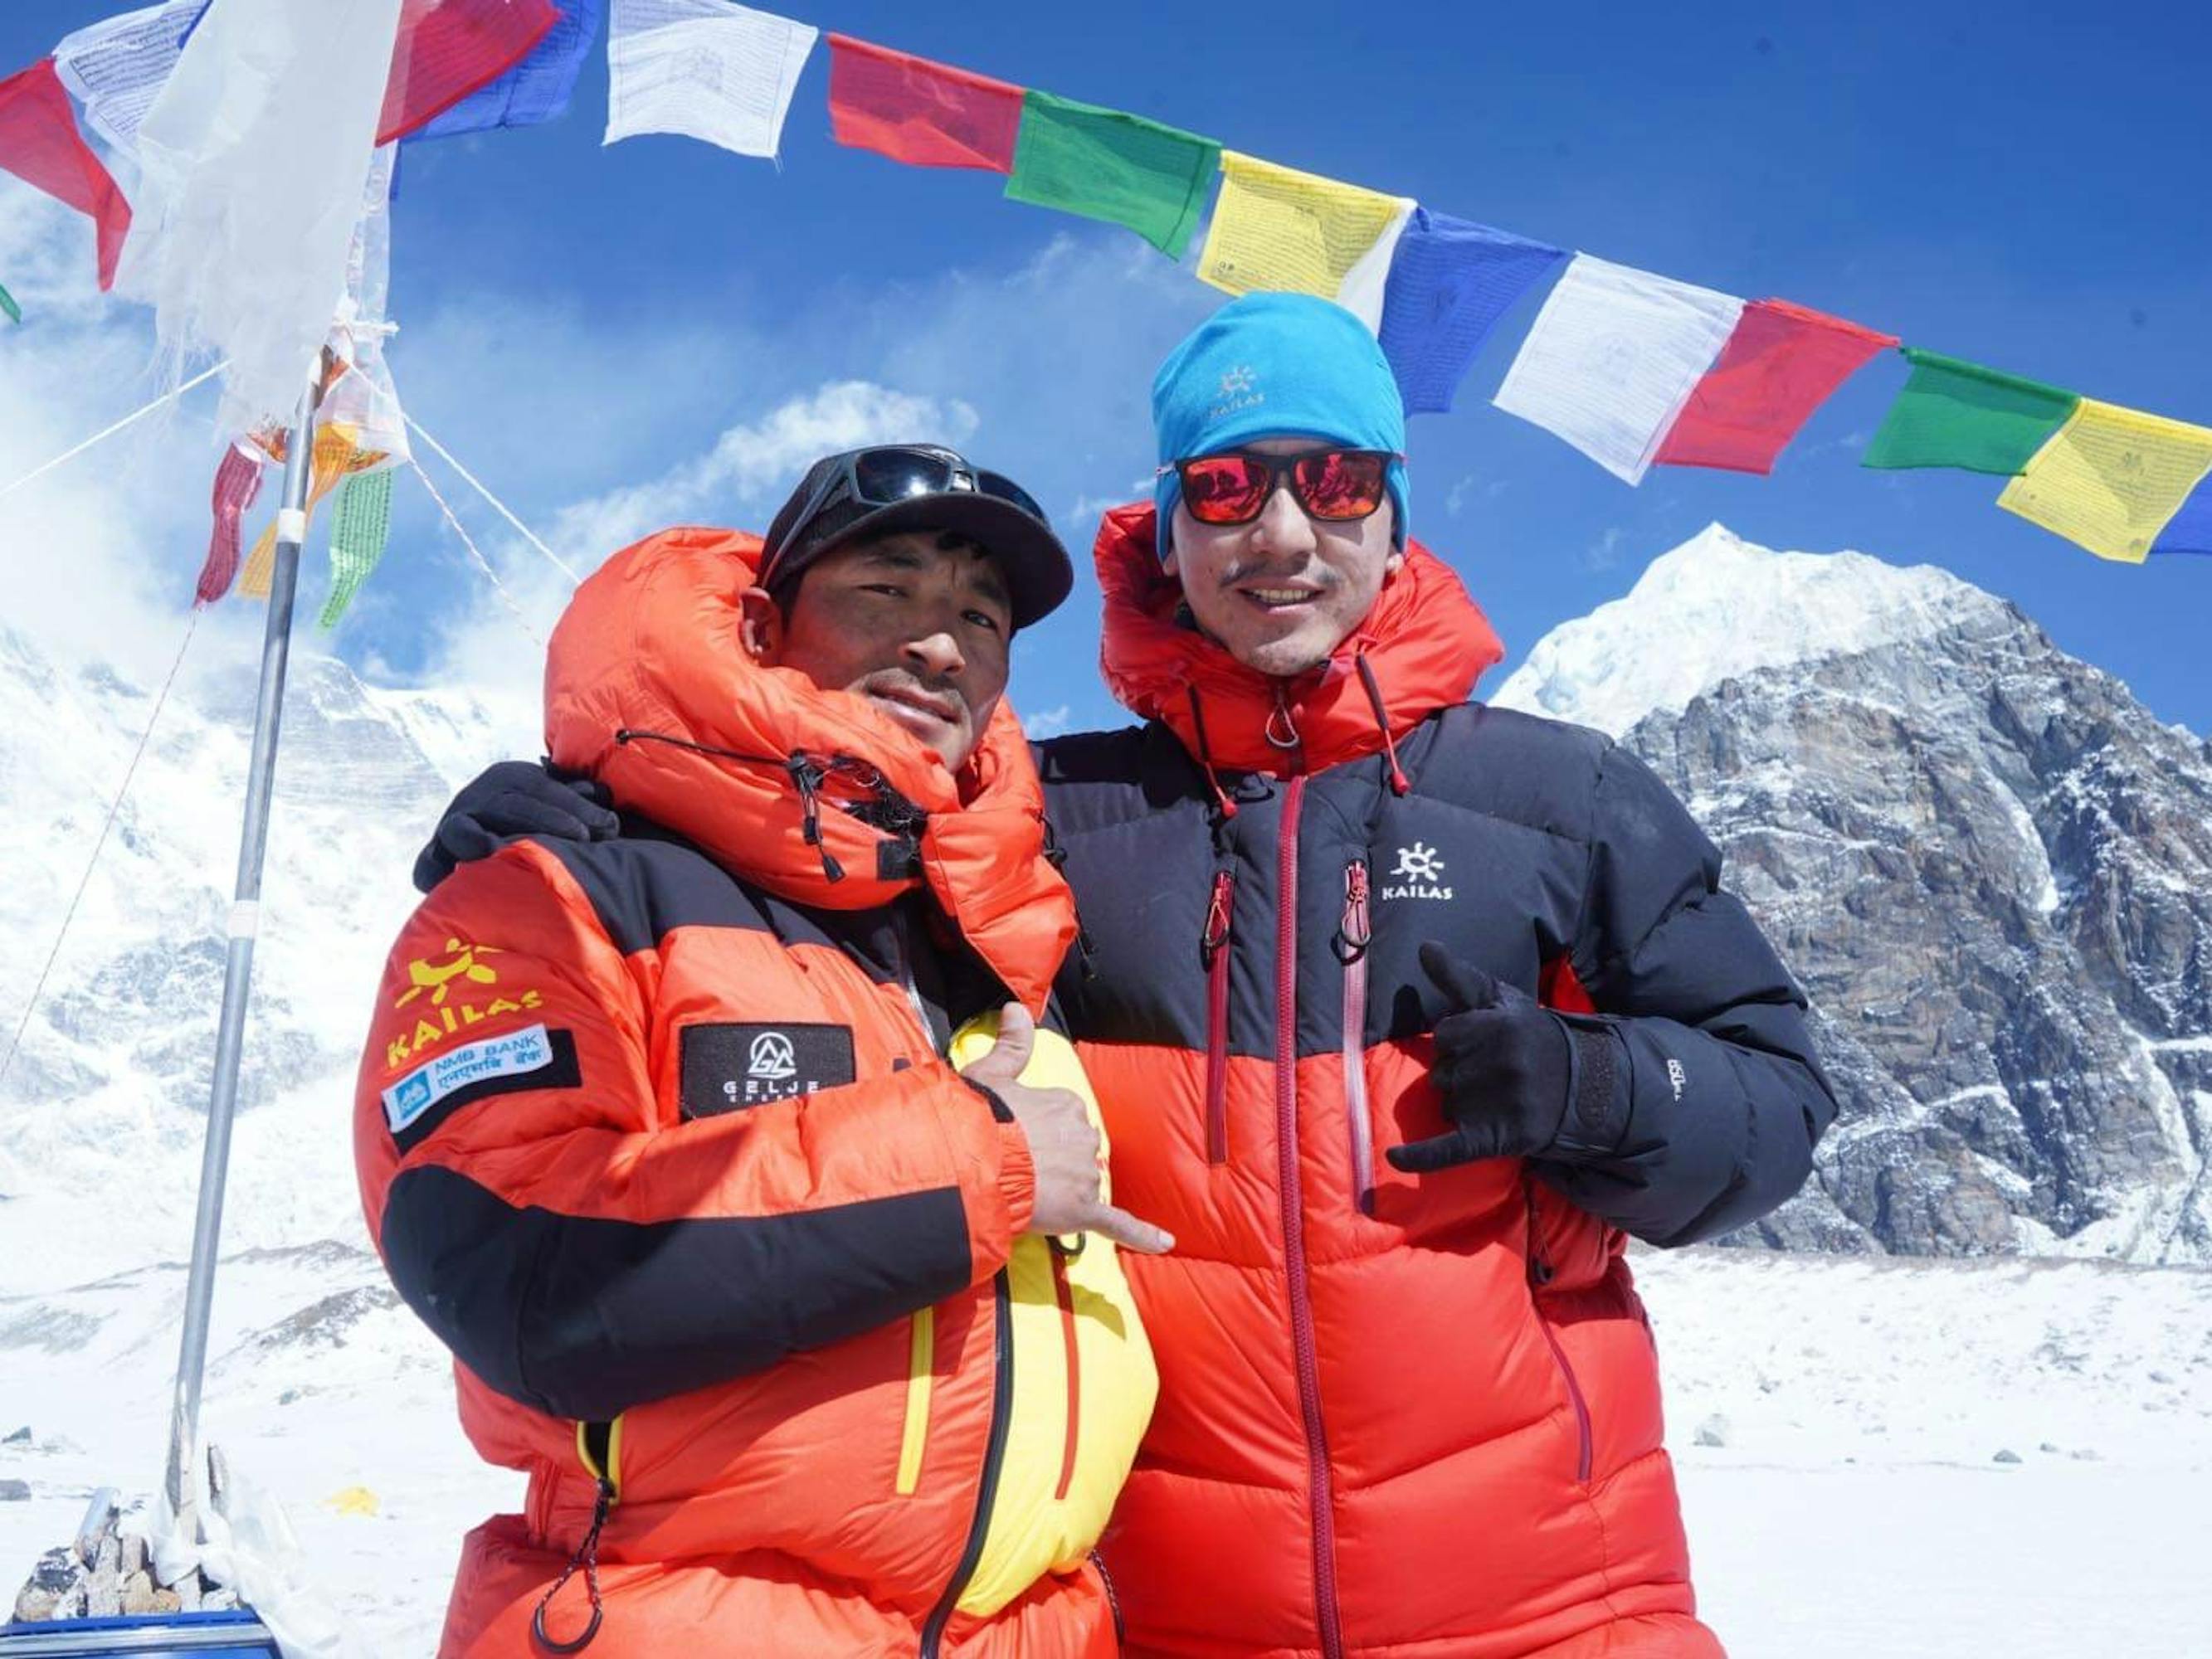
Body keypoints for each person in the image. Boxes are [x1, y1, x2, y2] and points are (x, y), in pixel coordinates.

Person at [427, 296, 1839, 1657]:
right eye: (1226, 488)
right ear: (1165, 532)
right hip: (1164, 1618)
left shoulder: (1559, 799)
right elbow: (803, 843)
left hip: (1554, 1605)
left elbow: (1772, 1100)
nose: (1282, 531)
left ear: (1393, 513)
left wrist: (1603, 1087)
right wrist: (601, 804)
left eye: (1334, 479)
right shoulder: (1054, 826)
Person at [354, 445, 1167, 1658]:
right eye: (884, 593)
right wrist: (977, 1162)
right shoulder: (561, 894)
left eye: (978, 618)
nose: (940, 647)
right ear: (764, 622)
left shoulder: (1000, 937)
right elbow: (516, 1278)